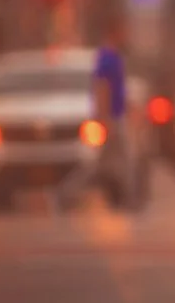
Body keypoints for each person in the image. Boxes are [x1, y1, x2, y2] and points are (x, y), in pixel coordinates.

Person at [58, 18, 139, 210]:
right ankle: (66, 193)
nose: (126, 36)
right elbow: (101, 88)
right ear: (115, 32)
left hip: (116, 116)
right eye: (123, 31)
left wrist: (129, 109)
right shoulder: (107, 58)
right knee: (115, 161)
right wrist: (104, 118)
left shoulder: (115, 57)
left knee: (108, 163)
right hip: (111, 118)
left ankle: (124, 198)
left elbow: (119, 90)